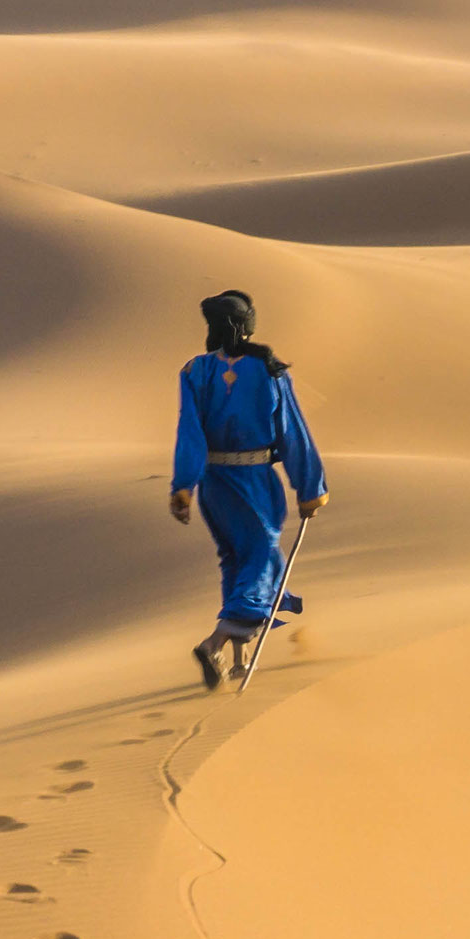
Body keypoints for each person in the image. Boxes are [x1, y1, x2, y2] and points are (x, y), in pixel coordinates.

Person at [169, 288, 328, 689]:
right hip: (255, 481)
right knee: (261, 556)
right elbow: (291, 431)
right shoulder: (270, 370)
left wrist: (184, 486)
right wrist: (310, 487)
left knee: (235, 560)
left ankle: (239, 662)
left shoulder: (194, 371)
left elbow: (189, 432)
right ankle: (215, 643)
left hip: (214, 484)